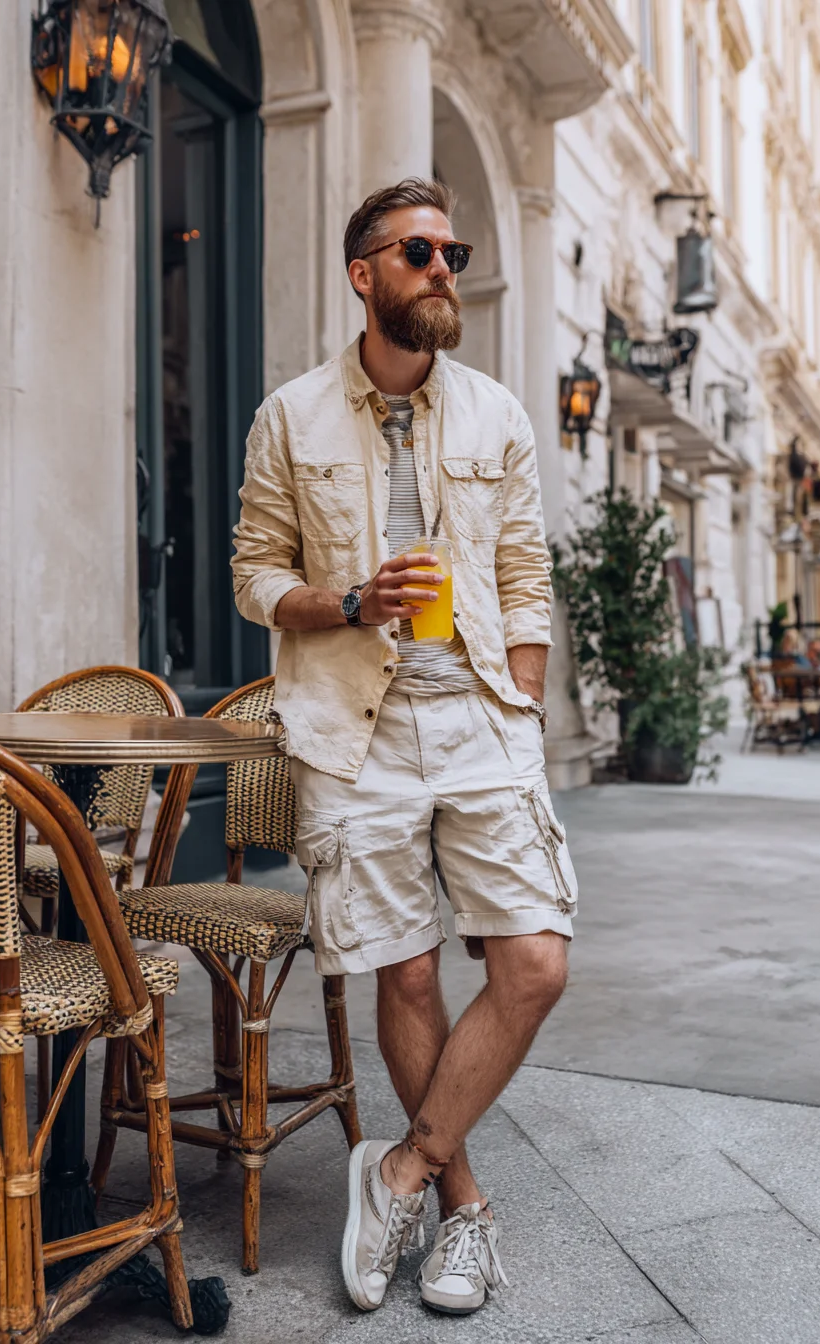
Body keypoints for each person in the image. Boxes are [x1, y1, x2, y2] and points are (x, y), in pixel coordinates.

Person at [231, 178, 576, 1317]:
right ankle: (462, 1209)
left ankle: (399, 1170)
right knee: (410, 966)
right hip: (353, 725)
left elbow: (525, 573)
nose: (442, 267)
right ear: (362, 273)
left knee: (533, 964)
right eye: (418, 251)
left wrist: (520, 700)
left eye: (452, 250)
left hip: (479, 715)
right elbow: (252, 574)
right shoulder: (289, 416)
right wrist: (345, 601)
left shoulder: (497, 415)